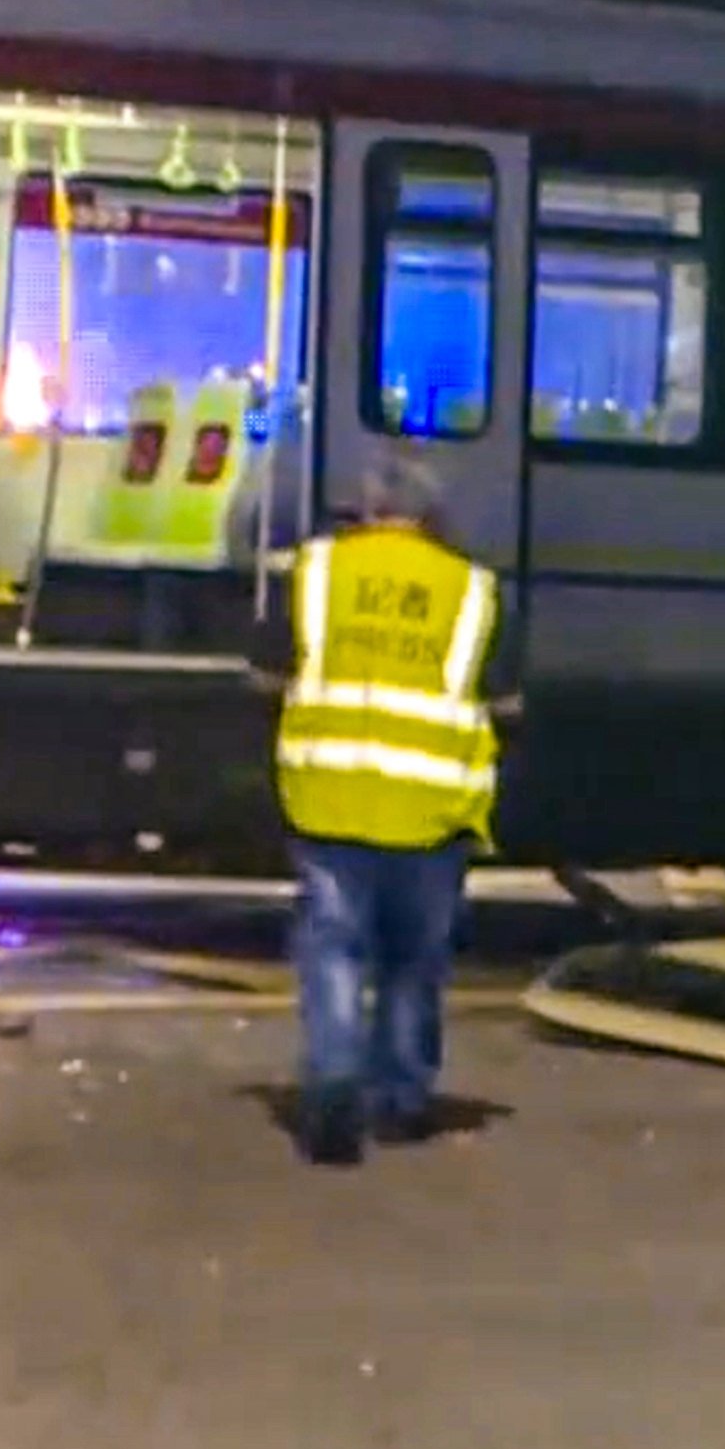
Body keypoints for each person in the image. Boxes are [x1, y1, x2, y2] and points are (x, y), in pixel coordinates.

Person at [259, 450, 511, 1166]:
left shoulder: (314, 573)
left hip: (330, 798)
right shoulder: (472, 590)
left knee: (334, 945)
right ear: (430, 519)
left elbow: (263, 669)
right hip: (430, 809)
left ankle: (335, 1082)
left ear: (366, 511)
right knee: (412, 958)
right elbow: (507, 696)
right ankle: (399, 1098)